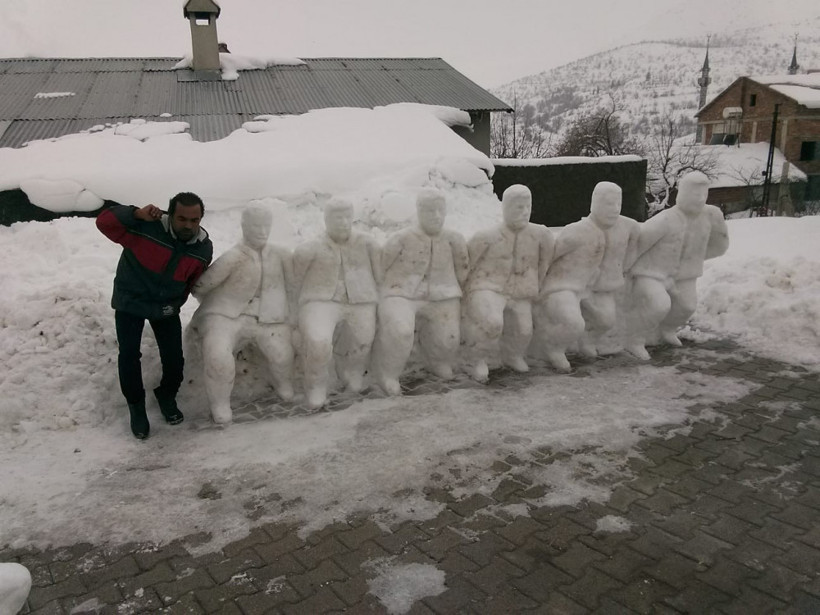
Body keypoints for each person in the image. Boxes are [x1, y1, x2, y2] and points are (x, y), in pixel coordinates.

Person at [96, 193, 213, 439]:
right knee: (129, 355)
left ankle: (166, 395)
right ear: (171, 215)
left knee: (174, 359)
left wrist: (175, 303)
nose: (188, 225)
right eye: (181, 218)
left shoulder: (203, 247)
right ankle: (136, 407)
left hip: (165, 307)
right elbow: (104, 222)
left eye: (194, 219)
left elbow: (192, 281)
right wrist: (136, 213)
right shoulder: (146, 227)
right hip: (130, 301)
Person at [191, 203, 294, 424]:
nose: (262, 231)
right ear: (244, 226)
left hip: (265, 316)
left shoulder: (279, 255)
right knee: (218, 356)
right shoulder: (233, 257)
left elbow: (296, 281)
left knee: (281, 353)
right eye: (256, 226)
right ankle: (219, 404)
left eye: (266, 226)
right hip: (225, 315)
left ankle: (284, 385)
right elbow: (200, 287)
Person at [374, 188, 469, 395]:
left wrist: (453, 289)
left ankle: (438, 361)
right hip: (401, 293)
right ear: (419, 212)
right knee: (401, 330)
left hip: (442, 293)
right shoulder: (401, 239)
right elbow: (381, 266)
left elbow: (463, 268)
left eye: (440, 211)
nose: (436, 216)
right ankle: (388, 372)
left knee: (449, 336)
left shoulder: (454, 239)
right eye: (429, 211)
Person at [534, 182, 637, 371]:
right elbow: (551, 255)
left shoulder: (625, 227)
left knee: (607, 320)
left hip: (595, 287)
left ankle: (587, 341)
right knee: (573, 322)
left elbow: (638, 244)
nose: (615, 209)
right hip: (564, 285)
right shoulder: (577, 230)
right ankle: (554, 347)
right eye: (608, 204)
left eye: (618, 204)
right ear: (595, 204)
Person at [626, 171, 729, 359]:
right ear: (682, 194)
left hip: (684, 273)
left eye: (702, 194)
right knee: (659, 305)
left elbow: (719, 245)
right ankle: (635, 339)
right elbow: (639, 244)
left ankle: (667, 330)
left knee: (687, 306)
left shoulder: (710, 216)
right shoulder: (665, 219)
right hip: (652, 272)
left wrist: (693, 259)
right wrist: (624, 269)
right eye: (693, 194)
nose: (698, 199)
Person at [293, 198, 381, 409]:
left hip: (360, 299)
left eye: (346, 217)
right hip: (320, 301)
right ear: (326, 219)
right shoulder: (310, 249)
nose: (342, 222)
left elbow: (380, 275)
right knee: (318, 342)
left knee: (364, 337)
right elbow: (294, 280)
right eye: (336, 217)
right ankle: (316, 385)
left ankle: (353, 372)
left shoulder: (367, 244)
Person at [463, 184, 554, 382]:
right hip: (488, 287)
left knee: (524, 329)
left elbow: (544, 263)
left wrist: (536, 285)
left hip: (520, 290)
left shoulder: (540, 235)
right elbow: (466, 264)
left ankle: (513, 355)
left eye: (527, 207)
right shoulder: (486, 237)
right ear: (505, 208)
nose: (524, 212)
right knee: (492, 323)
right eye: (518, 207)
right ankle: (477, 360)